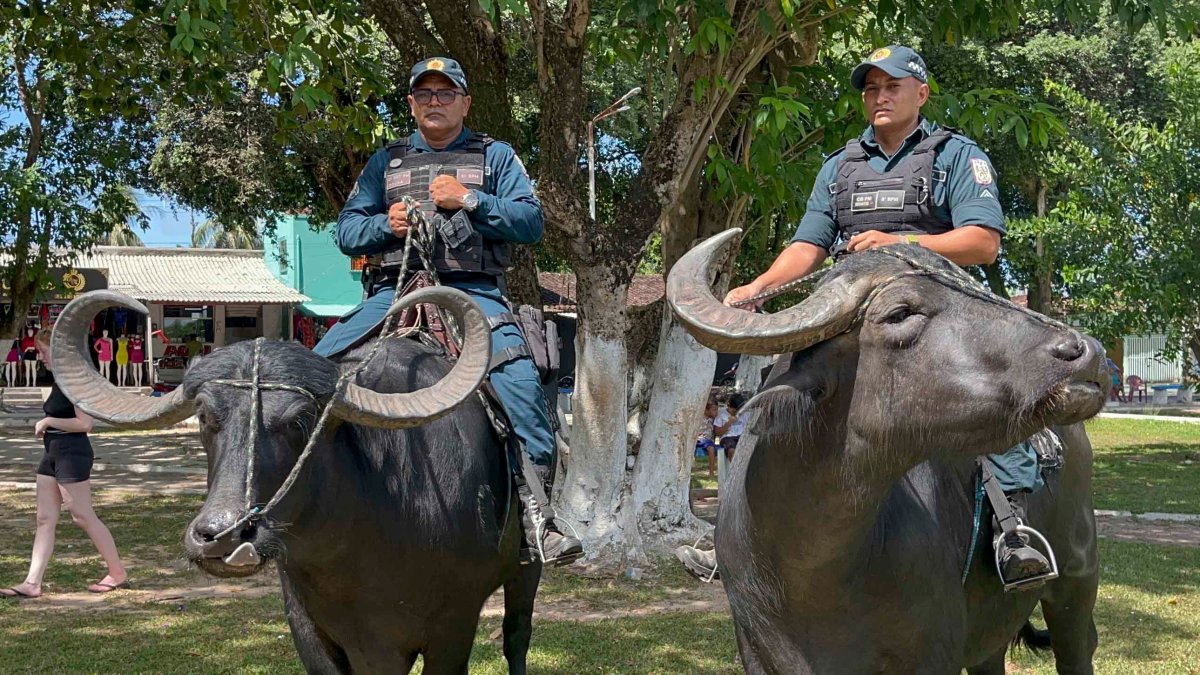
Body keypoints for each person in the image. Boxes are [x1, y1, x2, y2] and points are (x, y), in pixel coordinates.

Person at [676, 45, 1054, 592]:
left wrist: (899, 241)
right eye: (871, 88)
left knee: (990, 391)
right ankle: (733, 537)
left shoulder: (954, 155)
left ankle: (1012, 528)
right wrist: (758, 289)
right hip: (850, 311)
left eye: (892, 86)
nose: (879, 96)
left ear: (920, 94)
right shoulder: (840, 165)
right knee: (777, 395)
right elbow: (809, 244)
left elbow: (983, 242)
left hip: (936, 309)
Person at [313, 57, 582, 565]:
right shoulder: (385, 163)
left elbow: (530, 223)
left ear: (464, 102)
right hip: (388, 294)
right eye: (424, 94)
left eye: (445, 93)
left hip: (472, 293)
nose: (434, 102)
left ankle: (535, 518)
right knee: (310, 375)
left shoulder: (495, 156)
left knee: (520, 386)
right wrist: (383, 226)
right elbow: (346, 231)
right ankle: (302, 503)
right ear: (412, 104)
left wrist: (471, 200)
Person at [1, 326, 129, 599]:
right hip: (52, 451)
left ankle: (117, 572)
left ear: (57, 351)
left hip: (72, 452)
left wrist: (48, 421)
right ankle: (32, 583)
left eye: (44, 352)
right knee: (45, 518)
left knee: (82, 515)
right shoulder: (59, 379)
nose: (41, 357)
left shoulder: (73, 381)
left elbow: (85, 423)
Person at [714, 393, 747, 461]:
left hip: (741, 436)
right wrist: (729, 423)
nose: (736, 412)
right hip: (727, 437)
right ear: (729, 406)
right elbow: (717, 434)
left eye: (738, 410)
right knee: (732, 451)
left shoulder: (744, 414)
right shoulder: (721, 414)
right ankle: (735, 470)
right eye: (734, 410)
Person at [696, 397, 719, 478]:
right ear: (706, 409)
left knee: (711, 448)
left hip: (707, 440)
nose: (716, 412)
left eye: (716, 410)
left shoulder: (714, 419)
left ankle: (711, 472)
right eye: (714, 410)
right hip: (697, 439)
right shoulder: (698, 417)